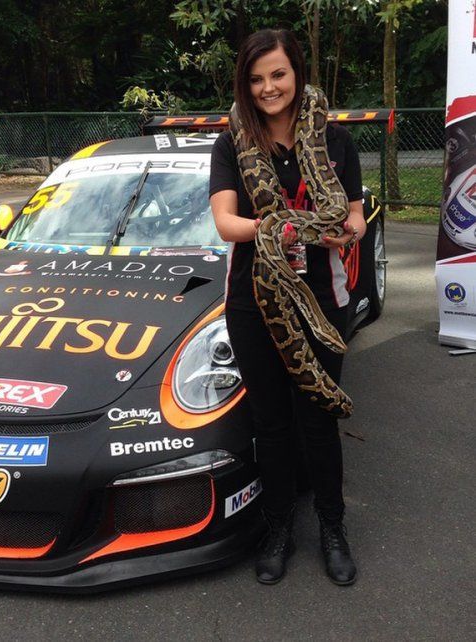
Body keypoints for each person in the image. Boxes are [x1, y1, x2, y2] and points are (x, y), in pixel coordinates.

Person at [209, 28, 366, 586]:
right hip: (254, 300)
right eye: (256, 79)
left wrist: (344, 231)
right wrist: (286, 227)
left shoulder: (335, 140)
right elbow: (226, 223)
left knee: (318, 419)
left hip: (321, 296)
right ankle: (277, 527)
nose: (268, 87)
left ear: (297, 72)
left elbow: (353, 216)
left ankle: (332, 526)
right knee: (271, 422)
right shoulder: (233, 141)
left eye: (278, 74)